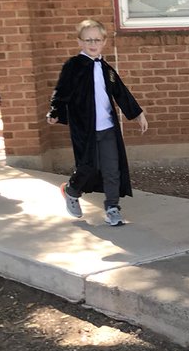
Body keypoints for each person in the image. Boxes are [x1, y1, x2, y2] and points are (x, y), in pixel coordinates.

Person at [47, 19, 147, 226]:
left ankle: (112, 207)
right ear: (80, 42)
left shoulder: (106, 69)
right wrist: (55, 111)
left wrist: (138, 114)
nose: (93, 43)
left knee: (112, 169)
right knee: (88, 167)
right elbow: (62, 90)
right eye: (88, 40)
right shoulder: (73, 66)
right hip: (85, 129)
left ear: (104, 42)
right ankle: (71, 190)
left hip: (108, 128)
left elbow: (121, 92)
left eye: (97, 40)